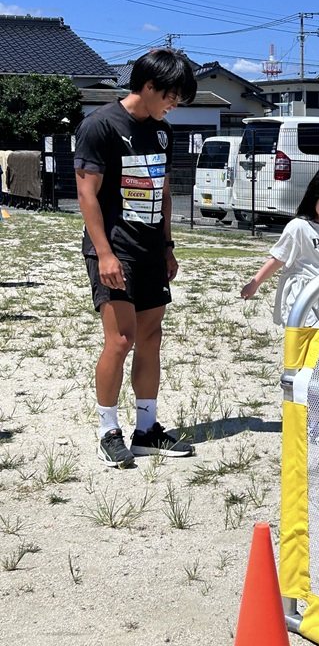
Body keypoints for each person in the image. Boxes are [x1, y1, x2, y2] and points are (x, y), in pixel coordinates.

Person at [74, 49, 197, 468]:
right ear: (148, 86)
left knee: (151, 336)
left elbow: (162, 192)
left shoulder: (163, 131)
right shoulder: (100, 125)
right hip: (113, 248)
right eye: (172, 95)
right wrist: (104, 253)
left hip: (149, 250)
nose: (175, 104)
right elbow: (86, 195)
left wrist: (167, 246)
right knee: (121, 339)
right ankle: (108, 430)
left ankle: (146, 430)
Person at [241, 165, 319, 445]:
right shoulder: (298, 227)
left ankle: (312, 415)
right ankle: (308, 420)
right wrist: (255, 282)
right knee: (305, 359)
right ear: (314, 198)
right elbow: (279, 259)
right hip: (303, 298)